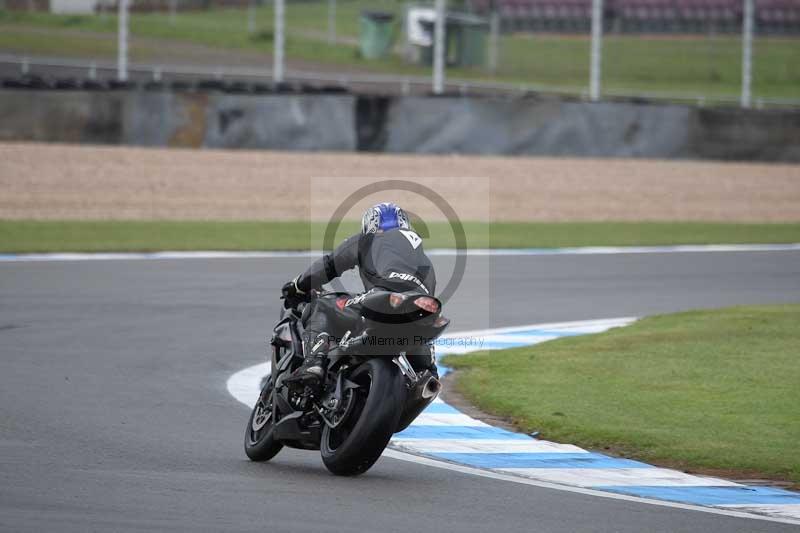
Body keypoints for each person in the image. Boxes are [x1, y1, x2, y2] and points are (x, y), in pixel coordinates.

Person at [281, 202, 437, 384]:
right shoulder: (425, 262)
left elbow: (329, 264)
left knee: (322, 304)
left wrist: (298, 285)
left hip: (384, 298)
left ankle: (313, 363)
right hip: (419, 311)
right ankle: (428, 375)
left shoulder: (368, 238)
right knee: (426, 370)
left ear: (370, 225)